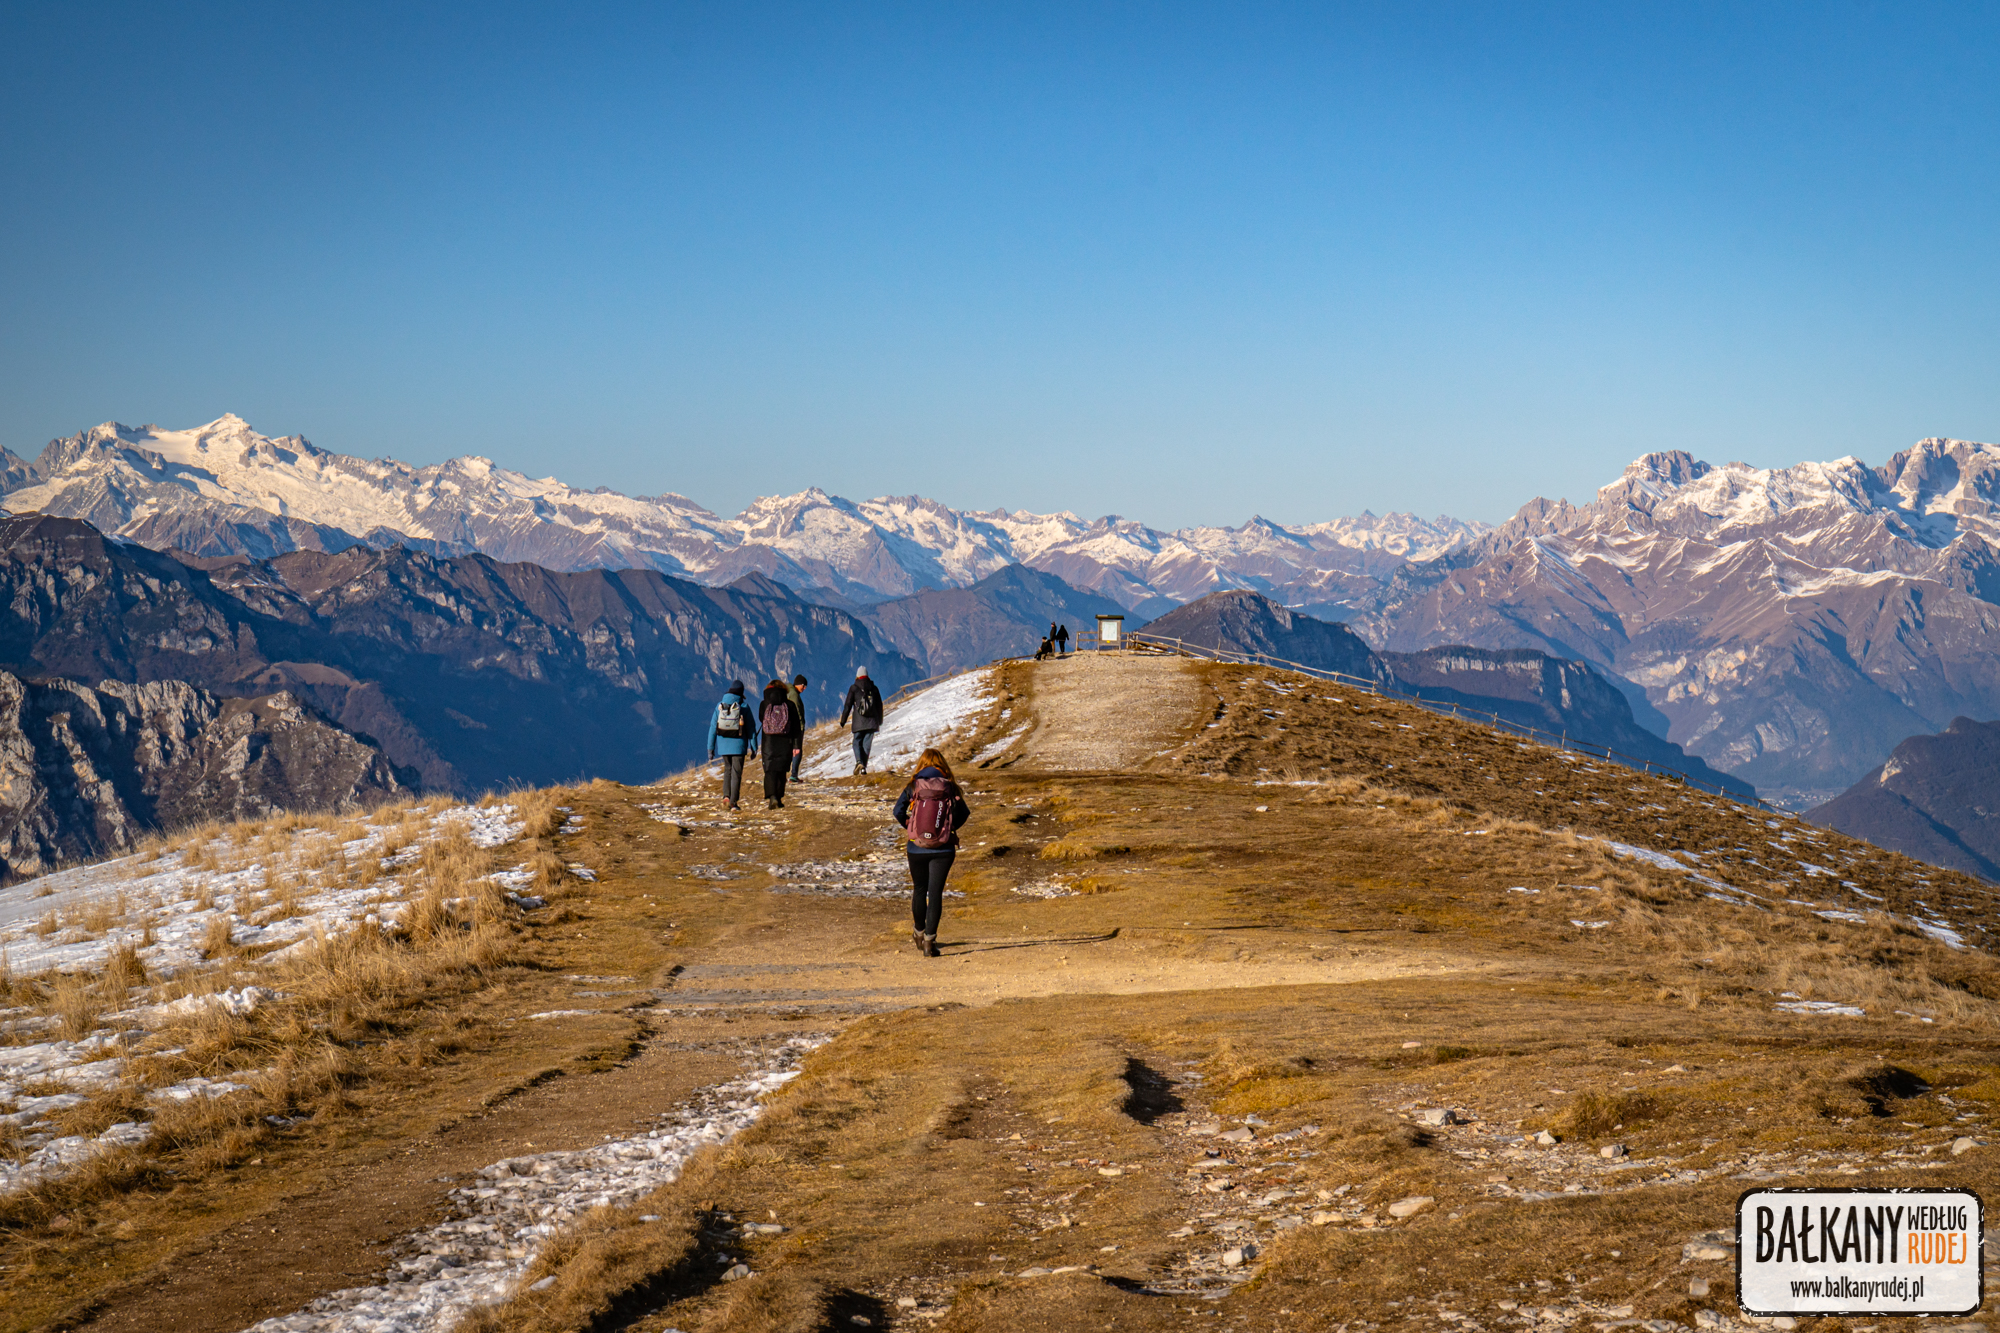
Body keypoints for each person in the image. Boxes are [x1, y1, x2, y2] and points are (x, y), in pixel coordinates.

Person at [892, 747, 970, 957]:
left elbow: (897, 811)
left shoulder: (913, 785)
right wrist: (947, 830)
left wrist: (911, 827)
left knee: (919, 889)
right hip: (943, 848)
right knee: (935, 893)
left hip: (915, 847)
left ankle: (918, 932)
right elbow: (964, 813)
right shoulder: (950, 787)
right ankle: (929, 942)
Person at [705, 679, 759, 811]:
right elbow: (751, 729)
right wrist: (754, 748)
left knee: (727, 770)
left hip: (723, 747)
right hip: (739, 747)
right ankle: (734, 803)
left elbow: (712, 728)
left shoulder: (719, 706)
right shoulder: (744, 707)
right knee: (736, 773)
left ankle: (726, 796)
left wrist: (710, 748)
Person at [758, 679, 797, 808]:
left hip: (769, 742)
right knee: (781, 770)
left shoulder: (764, 704)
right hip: (785, 742)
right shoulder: (790, 705)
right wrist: (796, 745)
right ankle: (779, 798)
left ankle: (772, 797)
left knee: (770, 770)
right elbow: (796, 726)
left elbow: (760, 718)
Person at [839, 666, 884, 774]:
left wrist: (843, 721)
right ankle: (863, 767)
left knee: (856, 742)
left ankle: (859, 762)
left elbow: (847, 706)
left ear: (858, 676)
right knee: (866, 745)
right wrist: (880, 720)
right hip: (872, 722)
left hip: (859, 722)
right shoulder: (874, 688)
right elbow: (879, 706)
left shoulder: (854, 688)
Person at [786, 674, 810, 782]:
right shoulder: (794, 695)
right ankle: (793, 775)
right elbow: (797, 713)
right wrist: (801, 727)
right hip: (795, 728)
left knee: (791, 750)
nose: (804, 689)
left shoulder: (790, 692)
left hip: (789, 728)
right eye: (803, 686)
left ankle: (790, 775)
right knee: (797, 751)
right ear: (798, 684)